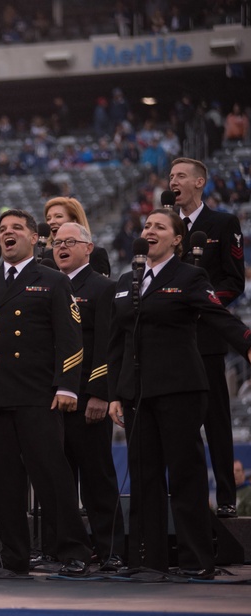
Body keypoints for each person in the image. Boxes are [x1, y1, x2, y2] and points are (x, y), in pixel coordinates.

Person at [0, 209, 93, 576]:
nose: (7, 234)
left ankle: (72, 550)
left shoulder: (53, 280)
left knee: (51, 475)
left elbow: (70, 338)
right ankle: (13, 554)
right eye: (1, 230)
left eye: (16, 228)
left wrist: (67, 387)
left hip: (38, 394)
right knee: (2, 481)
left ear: (34, 238)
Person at [108, 209, 251, 579]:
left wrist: (248, 344)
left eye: (159, 226)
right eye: (146, 226)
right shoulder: (127, 280)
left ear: (176, 240)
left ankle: (196, 561)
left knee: (185, 476)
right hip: (137, 394)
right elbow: (117, 343)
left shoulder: (190, 276)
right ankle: (147, 561)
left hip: (180, 390)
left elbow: (218, 316)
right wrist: (113, 394)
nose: (149, 231)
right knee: (143, 477)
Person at [171, 157, 245, 519]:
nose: (174, 180)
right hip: (170, 340)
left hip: (206, 336)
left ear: (200, 182)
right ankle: (185, 498)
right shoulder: (163, 226)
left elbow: (235, 281)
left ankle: (227, 500)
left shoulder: (223, 223)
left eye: (181, 175)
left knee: (215, 419)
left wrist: (205, 303)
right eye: (171, 175)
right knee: (177, 422)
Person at [49, 222, 125, 569]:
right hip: (53, 400)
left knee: (97, 478)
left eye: (69, 242)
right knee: (58, 480)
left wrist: (98, 393)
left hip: (86, 398)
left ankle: (112, 550)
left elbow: (109, 345)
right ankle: (64, 550)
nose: (61, 247)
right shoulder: (49, 285)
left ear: (88, 248)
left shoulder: (102, 288)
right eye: (57, 242)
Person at [42, 197, 111, 276]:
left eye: (58, 216)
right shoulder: (46, 258)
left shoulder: (96, 254)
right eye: (48, 218)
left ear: (74, 221)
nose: (51, 222)